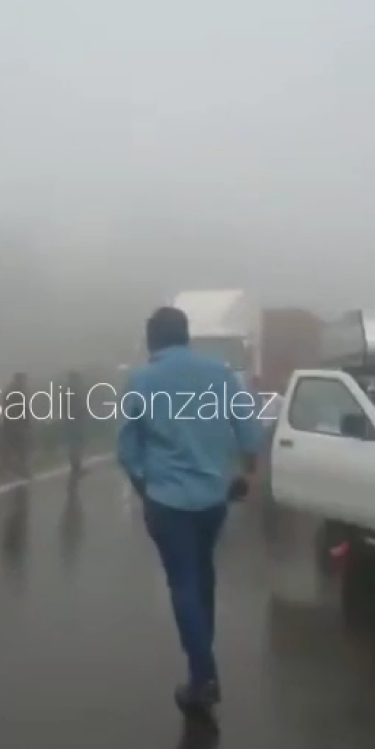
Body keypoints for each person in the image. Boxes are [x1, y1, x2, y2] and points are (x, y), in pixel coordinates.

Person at [118, 307, 261, 721]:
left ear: (152, 341)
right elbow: (249, 433)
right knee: (203, 577)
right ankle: (202, 660)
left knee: (182, 583)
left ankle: (204, 676)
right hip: (213, 501)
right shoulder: (220, 375)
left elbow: (127, 450)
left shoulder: (143, 380)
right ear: (187, 336)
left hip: (169, 502)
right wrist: (247, 473)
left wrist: (146, 489)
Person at [3, 372, 31, 478]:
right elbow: (25, 408)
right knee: (22, 448)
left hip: (10, 423)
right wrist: (27, 422)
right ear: (20, 379)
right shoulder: (20, 391)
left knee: (13, 448)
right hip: (19, 424)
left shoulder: (8, 390)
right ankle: (22, 471)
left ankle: (11, 470)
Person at [65, 370, 86, 476]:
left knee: (75, 443)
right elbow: (76, 405)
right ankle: (76, 466)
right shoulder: (72, 390)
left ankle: (76, 465)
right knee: (76, 443)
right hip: (74, 420)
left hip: (72, 420)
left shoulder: (69, 390)